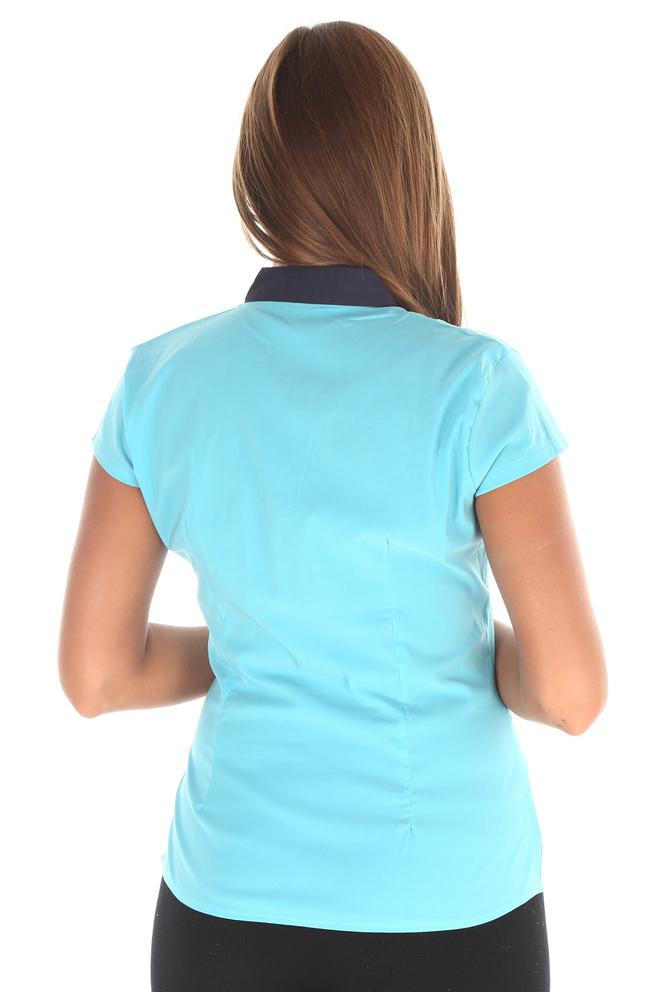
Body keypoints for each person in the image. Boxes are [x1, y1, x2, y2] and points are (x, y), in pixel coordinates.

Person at [58, 19, 608, 992]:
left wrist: (258, 643)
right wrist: (459, 650)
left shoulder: (160, 379)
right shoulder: (478, 385)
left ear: (254, 181)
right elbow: (569, 693)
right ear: (410, 170)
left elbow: (98, 675)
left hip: (227, 914)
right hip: (451, 907)